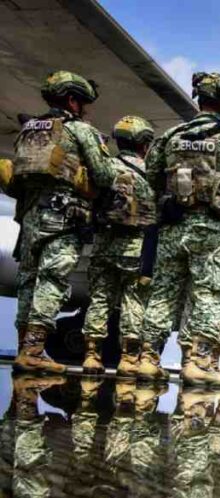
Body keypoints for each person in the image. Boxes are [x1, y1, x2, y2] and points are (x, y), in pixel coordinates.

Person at [135, 72, 220, 386]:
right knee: (208, 296)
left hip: (173, 229)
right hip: (213, 232)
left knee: (161, 295)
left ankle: (147, 359)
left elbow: (151, 178)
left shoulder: (171, 135)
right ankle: (195, 361)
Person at [12, 71, 116, 373]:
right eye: (83, 103)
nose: (85, 110)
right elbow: (105, 175)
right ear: (72, 100)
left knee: (28, 281)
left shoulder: (29, 128)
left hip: (30, 216)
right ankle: (34, 351)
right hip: (63, 216)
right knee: (52, 280)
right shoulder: (80, 130)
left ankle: (24, 349)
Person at [80, 116, 155, 377]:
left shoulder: (105, 168)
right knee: (133, 301)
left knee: (99, 299)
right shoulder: (151, 173)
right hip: (135, 247)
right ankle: (128, 359)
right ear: (144, 144)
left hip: (103, 245)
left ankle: (91, 355)